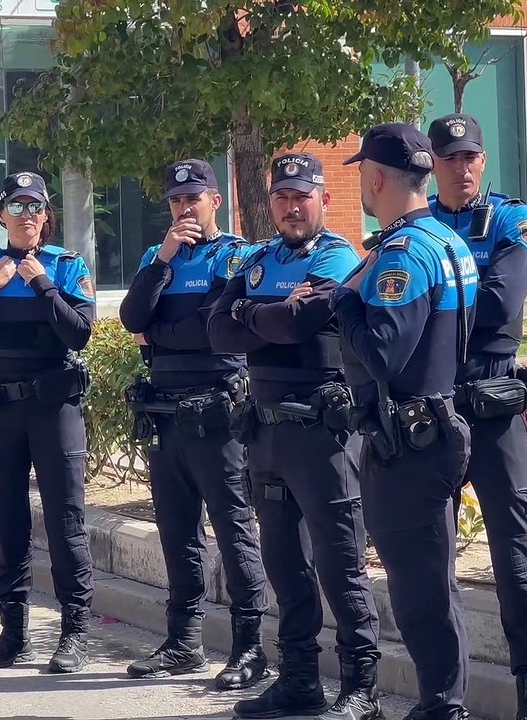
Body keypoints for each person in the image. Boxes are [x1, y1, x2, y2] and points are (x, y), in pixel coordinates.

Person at [208, 153, 383, 720]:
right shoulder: (259, 259)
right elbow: (217, 332)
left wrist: (248, 313)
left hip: (321, 435)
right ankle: (299, 682)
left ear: (323, 200)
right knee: (284, 563)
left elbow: (299, 323)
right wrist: (265, 312)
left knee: (340, 564)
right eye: (281, 197)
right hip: (266, 434)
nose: (291, 207)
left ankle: (361, 688)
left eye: (301, 196)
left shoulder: (337, 256)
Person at [334, 123, 478, 720]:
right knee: (432, 582)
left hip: (410, 441)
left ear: (375, 178)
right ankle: (444, 701)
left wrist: (344, 301)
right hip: (433, 429)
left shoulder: (402, 253)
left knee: (419, 590)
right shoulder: (445, 239)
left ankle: (442, 706)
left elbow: (383, 354)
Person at [118, 159, 270, 690]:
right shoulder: (156, 257)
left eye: (194, 198)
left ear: (215, 201)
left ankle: (249, 648)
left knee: (233, 528)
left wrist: (158, 333)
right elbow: (132, 319)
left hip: (217, 414)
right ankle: (183, 643)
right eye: (176, 200)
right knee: (176, 530)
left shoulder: (237, 255)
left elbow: (212, 328)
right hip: (165, 414)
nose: (185, 209)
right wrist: (162, 260)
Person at [426, 113, 527, 720]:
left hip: (493, 407)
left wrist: (430, 302)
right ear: (432, 163)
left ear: (482, 160)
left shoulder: (510, 218)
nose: (462, 167)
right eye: (450, 157)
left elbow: (503, 303)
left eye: (470, 156)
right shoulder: (417, 223)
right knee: (431, 560)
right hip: (432, 408)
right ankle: (444, 698)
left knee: (517, 556)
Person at [0, 171, 97, 674]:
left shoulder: (67, 267)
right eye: (17, 207)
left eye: (35, 207)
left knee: (65, 522)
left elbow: (79, 335)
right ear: (2, 216)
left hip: (53, 410)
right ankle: (14, 635)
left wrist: (41, 284)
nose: (27, 215)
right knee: (8, 521)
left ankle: (75, 634)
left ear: (46, 216)